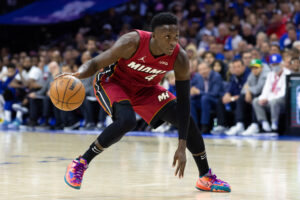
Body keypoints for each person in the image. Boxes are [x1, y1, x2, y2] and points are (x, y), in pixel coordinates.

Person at [62, 13, 230, 192]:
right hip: (113, 83)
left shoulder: (179, 57)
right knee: (127, 121)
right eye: (167, 37)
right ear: (154, 35)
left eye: (176, 37)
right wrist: (78, 75)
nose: (173, 42)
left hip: (146, 89)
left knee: (187, 120)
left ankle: (205, 177)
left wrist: (181, 146)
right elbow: (95, 63)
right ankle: (80, 163)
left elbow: (183, 102)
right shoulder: (131, 42)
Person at [252, 54, 291, 132]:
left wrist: (268, 99)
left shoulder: (288, 74)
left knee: (274, 102)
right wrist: (262, 98)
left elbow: (283, 93)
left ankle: (274, 126)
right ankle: (265, 124)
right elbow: (266, 89)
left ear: (281, 63)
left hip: (282, 101)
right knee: (256, 101)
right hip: (269, 100)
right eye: (273, 64)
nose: (275, 66)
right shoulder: (270, 74)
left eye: (277, 64)